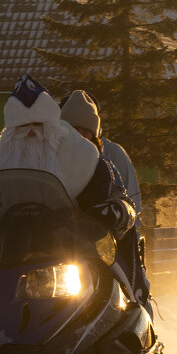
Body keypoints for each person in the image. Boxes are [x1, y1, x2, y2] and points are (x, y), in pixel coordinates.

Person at [0, 75, 135, 243]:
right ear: (10, 133)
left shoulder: (85, 160)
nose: (31, 132)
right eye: (22, 127)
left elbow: (109, 197)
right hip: (4, 252)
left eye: (38, 125)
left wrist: (109, 213)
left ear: (53, 129)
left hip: (67, 251)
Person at [59, 89, 151, 308]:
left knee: (129, 296)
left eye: (86, 131)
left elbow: (129, 202)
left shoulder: (110, 156)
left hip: (104, 243)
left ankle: (138, 313)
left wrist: (118, 217)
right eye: (74, 129)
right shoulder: (52, 157)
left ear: (95, 132)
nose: (80, 136)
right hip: (61, 244)